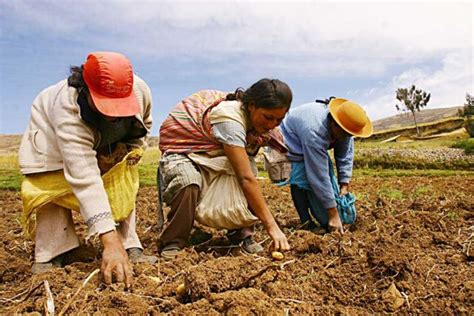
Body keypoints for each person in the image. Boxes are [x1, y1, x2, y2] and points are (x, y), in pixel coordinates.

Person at [18, 51, 157, 287]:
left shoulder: (139, 90)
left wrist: (133, 149)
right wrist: (108, 242)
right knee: (51, 188)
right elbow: (84, 178)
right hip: (51, 146)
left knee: (121, 180)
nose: (113, 115)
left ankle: (128, 243)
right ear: (86, 90)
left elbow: (145, 122)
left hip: (108, 141)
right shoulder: (68, 110)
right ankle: (51, 253)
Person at [158, 79, 293, 259]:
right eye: (268, 117)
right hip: (186, 151)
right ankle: (174, 241)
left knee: (248, 171)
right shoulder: (229, 119)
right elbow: (246, 179)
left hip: (217, 151)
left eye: (279, 119)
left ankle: (241, 234)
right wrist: (272, 227)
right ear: (251, 106)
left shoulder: (260, 126)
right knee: (187, 181)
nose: (272, 125)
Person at [280, 98, 373, 233]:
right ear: (334, 124)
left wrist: (344, 184)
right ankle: (306, 222)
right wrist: (333, 215)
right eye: (344, 134)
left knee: (328, 187)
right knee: (300, 180)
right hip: (290, 141)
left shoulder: (345, 126)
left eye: (349, 135)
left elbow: (345, 154)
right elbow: (319, 175)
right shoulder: (314, 131)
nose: (346, 137)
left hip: (309, 139)